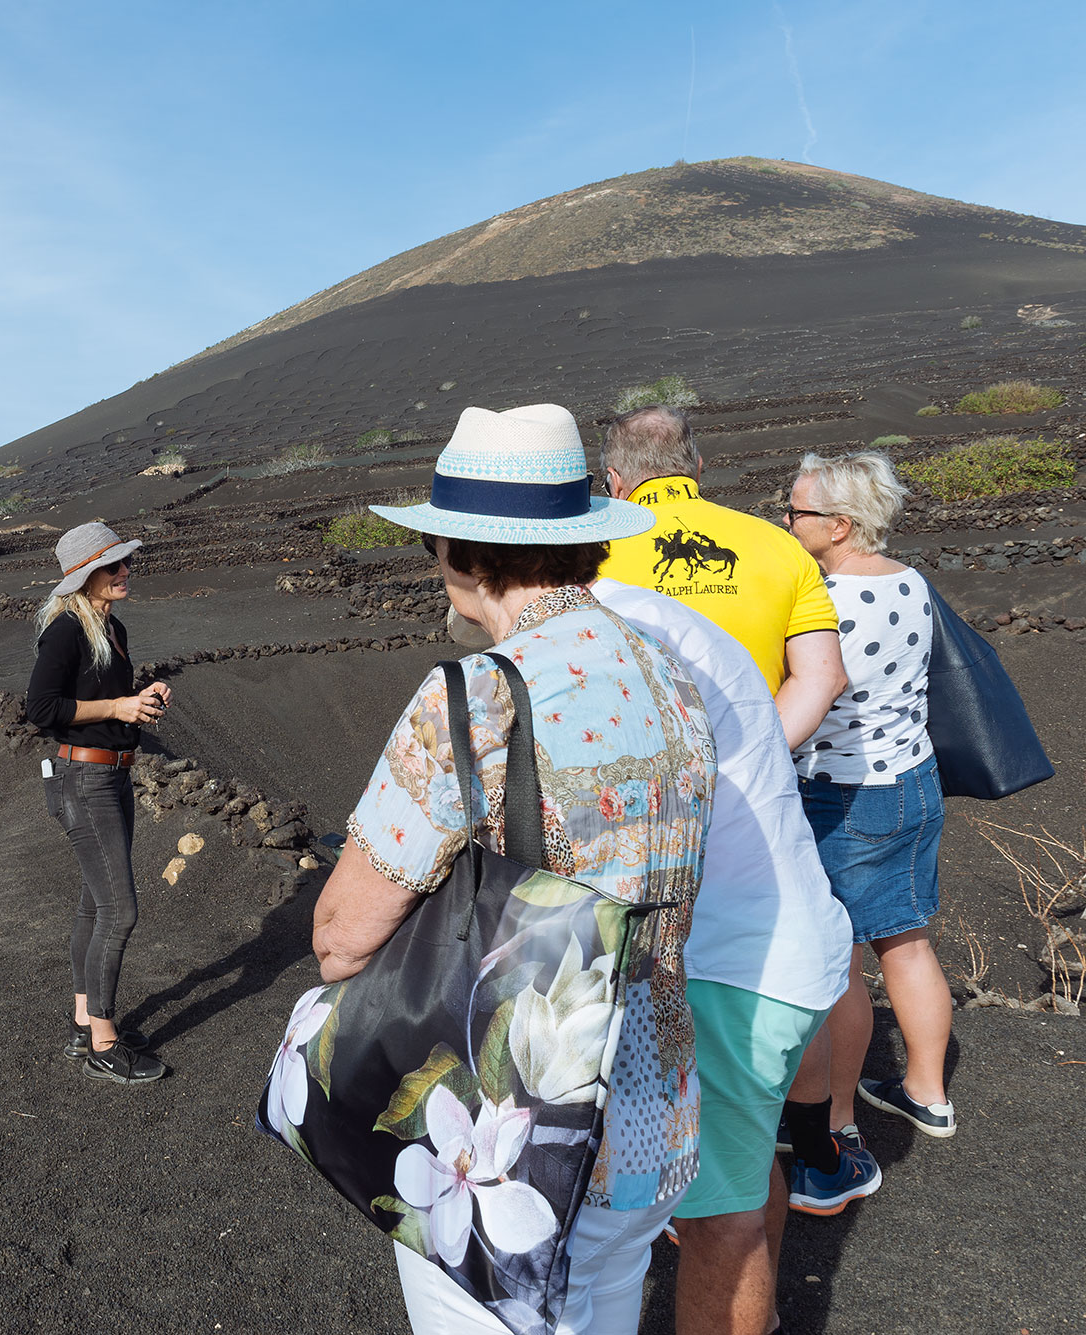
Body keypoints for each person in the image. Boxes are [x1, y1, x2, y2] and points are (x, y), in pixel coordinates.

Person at [314, 403, 716, 1335]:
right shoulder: (668, 669)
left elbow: (342, 937)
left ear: (462, 555)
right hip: (653, 1114)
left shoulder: (477, 694)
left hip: (517, 1141)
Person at [591, 578, 852, 1335]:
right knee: (741, 1171)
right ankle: (761, 1313)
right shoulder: (661, 615)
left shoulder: (599, 639)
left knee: (715, 1219)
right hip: (784, 942)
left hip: (727, 962)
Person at [784, 452, 956, 1193]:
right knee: (907, 943)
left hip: (844, 795)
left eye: (793, 512)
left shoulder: (824, 598)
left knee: (837, 966)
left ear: (838, 524)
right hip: (915, 781)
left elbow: (808, 690)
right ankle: (928, 1092)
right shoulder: (910, 581)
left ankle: (839, 1116)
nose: (783, 521)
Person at [598, 405, 847, 745]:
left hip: (646, 770)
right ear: (697, 469)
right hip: (757, 777)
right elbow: (823, 676)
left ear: (614, 480)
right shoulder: (781, 545)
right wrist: (759, 755)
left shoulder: (588, 556)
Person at [25, 521, 173, 1085]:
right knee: (120, 910)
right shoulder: (65, 630)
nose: (125, 572)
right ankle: (104, 1044)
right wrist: (117, 708)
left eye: (126, 563)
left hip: (109, 779)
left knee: (95, 902)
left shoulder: (112, 629)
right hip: (84, 782)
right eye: (113, 566)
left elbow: (104, 698)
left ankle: (86, 1022)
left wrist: (142, 699)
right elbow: (41, 708)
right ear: (86, 575)